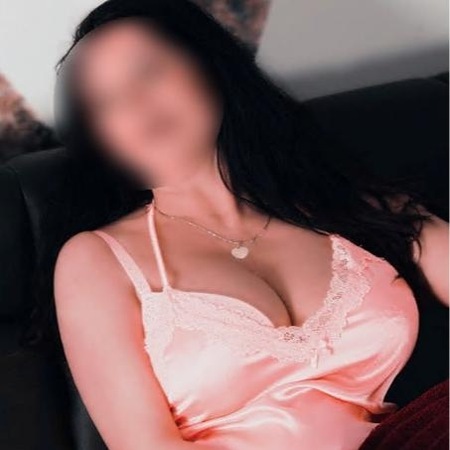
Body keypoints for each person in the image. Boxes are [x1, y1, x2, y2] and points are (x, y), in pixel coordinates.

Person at [49, 1, 449, 449]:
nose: (135, 102)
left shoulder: (345, 203)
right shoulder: (96, 259)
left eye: (148, 70)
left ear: (211, 65)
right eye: (104, 101)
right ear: (100, 136)